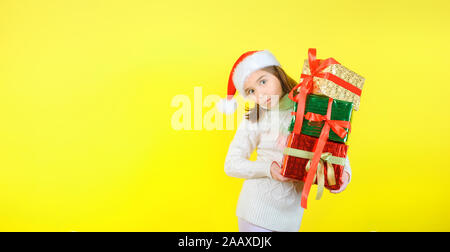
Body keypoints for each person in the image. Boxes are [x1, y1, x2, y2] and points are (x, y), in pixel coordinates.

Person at [217, 50, 351, 232]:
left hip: (291, 220)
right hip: (256, 213)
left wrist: (343, 176)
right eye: (251, 91)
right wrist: (268, 169)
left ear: (278, 75)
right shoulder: (255, 119)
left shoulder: (311, 109)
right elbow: (231, 164)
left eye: (263, 81)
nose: (260, 94)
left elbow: (331, 144)